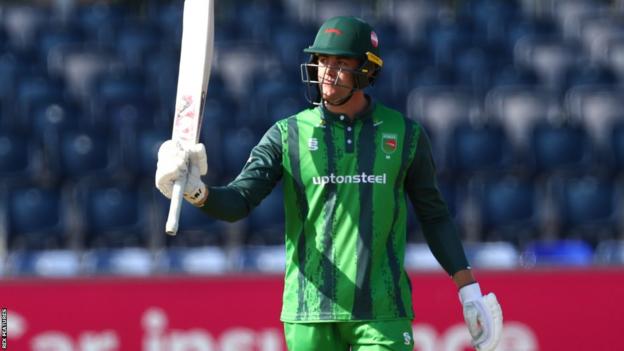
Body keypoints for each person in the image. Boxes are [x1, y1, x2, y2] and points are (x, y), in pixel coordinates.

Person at [156, 16, 502, 351]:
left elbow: (434, 215)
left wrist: (468, 290)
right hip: (309, 311)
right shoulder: (285, 134)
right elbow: (239, 202)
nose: (327, 72)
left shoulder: (406, 135)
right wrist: (195, 190)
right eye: (322, 61)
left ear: (367, 70)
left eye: (340, 63)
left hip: (382, 309)